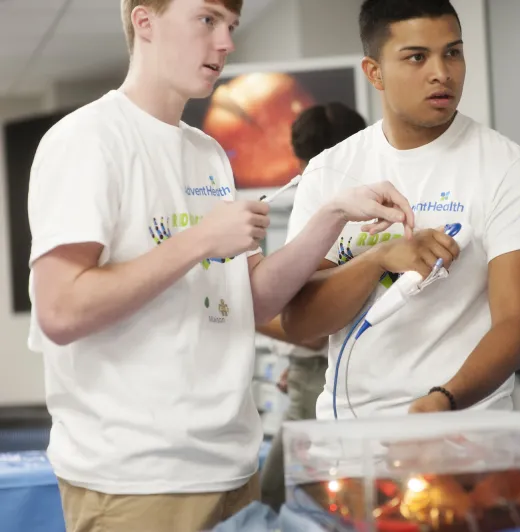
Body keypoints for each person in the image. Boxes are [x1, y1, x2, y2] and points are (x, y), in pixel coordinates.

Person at [25, 1, 413, 531]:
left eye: (230, 26)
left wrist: (333, 214)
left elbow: (251, 299)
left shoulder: (208, 153)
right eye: (207, 20)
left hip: (232, 470)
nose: (226, 42)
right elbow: (61, 310)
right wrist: (201, 240)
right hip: (137, 481)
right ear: (145, 22)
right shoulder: (86, 140)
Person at [281, 0, 520, 421]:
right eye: (417, 57)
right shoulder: (330, 171)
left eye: (452, 52)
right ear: (374, 72)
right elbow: (301, 323)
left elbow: (516, 327)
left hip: (463, 430)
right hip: (349, 438)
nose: (442, 72)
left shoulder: (509, 170)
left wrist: (443, 400)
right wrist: (379, 260)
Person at [257, 102, 368, 511]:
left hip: (325, 374)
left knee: (279, 497)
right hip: (316, 371)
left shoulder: (344, 221)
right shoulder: (372, 211)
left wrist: (241, 313)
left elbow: (311, 327)